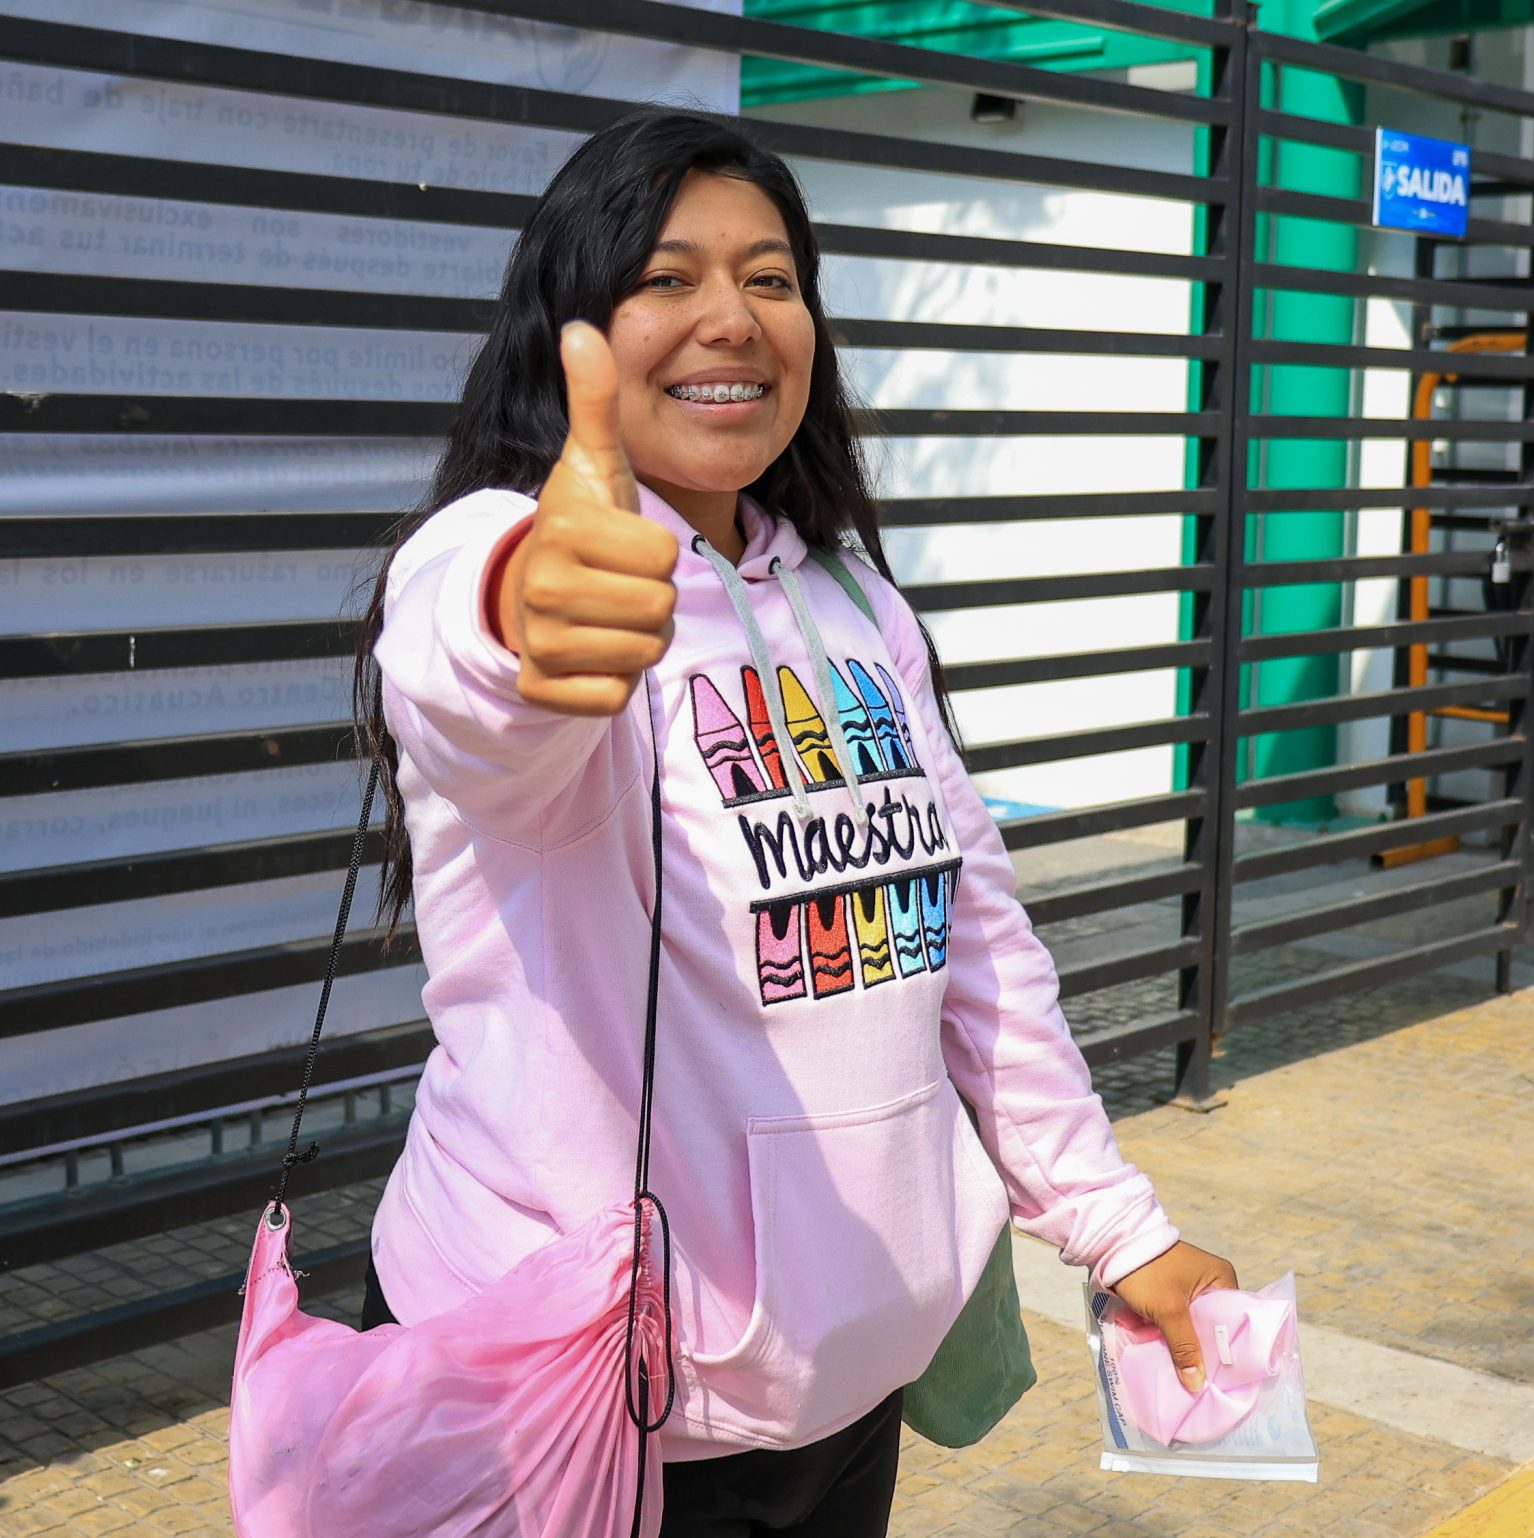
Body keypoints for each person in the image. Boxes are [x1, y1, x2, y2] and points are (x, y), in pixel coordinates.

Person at [347, 107, 1236, 1536]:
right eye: (667, 277)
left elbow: (976, 947)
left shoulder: (853, 602)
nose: (733, 319)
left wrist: (1119, 1223)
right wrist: (531, 601)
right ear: (571, 325)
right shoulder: (506, 562)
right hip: (567, 1394)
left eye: (770, 278)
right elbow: (481, 669)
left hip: (839, 1389)